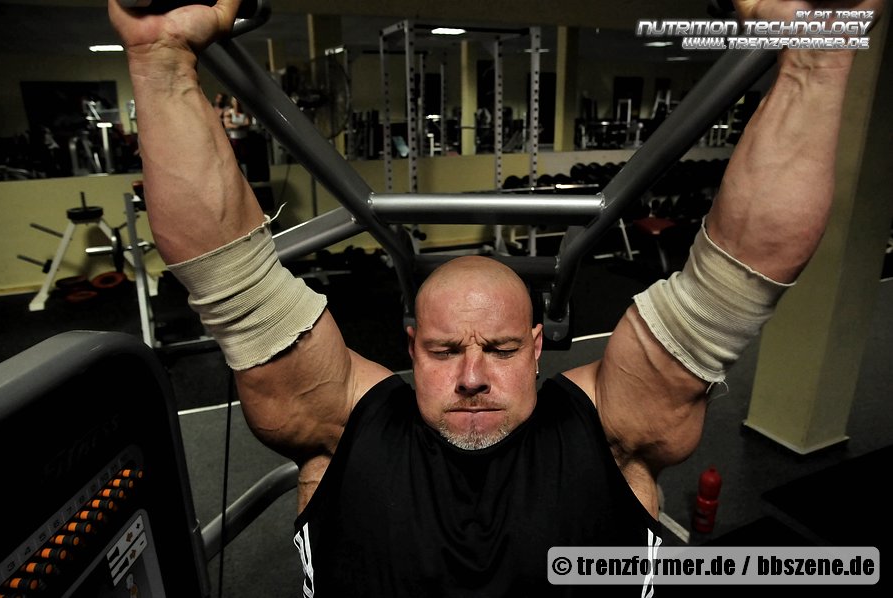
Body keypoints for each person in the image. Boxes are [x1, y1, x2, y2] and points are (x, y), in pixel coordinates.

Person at [108, 0, 884, 595]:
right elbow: (233, 279)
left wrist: (815, 58)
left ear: (539, 347)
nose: (473, 375)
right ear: (410, 347)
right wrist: (162, 58)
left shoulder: (607, 428)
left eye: (503, 349)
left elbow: (738, 273)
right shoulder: (348, 424)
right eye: (445, 350)